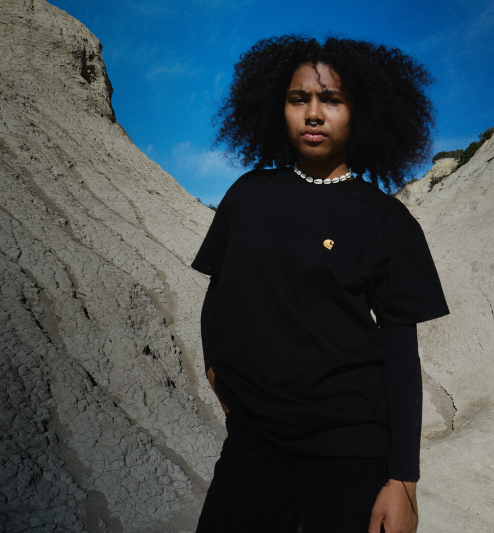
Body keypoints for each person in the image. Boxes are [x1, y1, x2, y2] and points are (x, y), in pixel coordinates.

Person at [191, 35, 449, 533]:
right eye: (298, 99)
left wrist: (403, 481)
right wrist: (216, 374)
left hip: (350, 446)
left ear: (360, 113)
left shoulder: (387, 220)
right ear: (279, 108)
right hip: (254, 441)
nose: (313, 114)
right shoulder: (247, 195)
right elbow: (218, 295)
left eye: (331, 100)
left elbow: (400, 352)